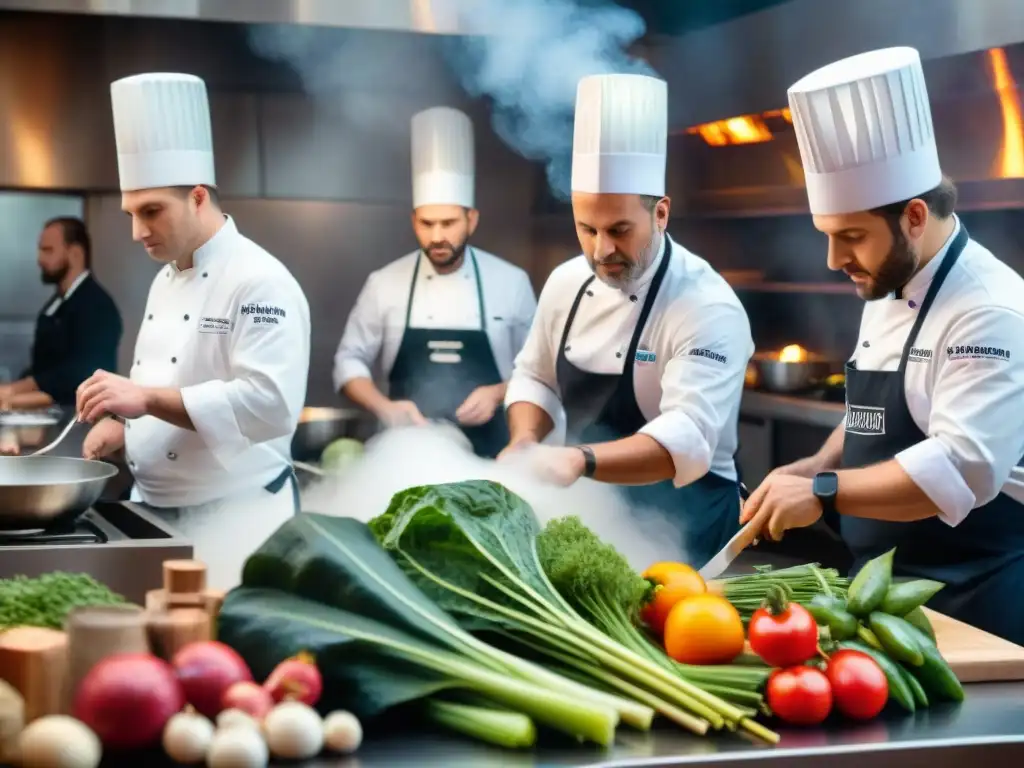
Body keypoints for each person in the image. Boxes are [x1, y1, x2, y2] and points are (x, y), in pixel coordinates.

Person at [740, 47, 1024, 644]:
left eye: (851, 237)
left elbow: (955, 472)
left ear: (915, 216)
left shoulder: (990, 311)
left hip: (975, 596)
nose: (834, 260)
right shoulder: (888, 276)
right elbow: (879, 407)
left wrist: (823, 491)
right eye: (827, 236)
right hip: (879, 589)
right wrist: (821, 462)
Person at [500, 73, 755, 568]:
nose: (601, 251)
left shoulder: (706, 305)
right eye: (586, 228)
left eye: (620, 230)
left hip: (689, 523)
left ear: (661, 214)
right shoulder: (565, 282)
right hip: (595, 513)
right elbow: (534, 376)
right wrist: (525, 440)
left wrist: (581, 459)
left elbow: (687, 436)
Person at [75, 72, 312, 589]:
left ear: (199, 197)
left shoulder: (260, 281)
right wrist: (128, 428)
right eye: (130, 213)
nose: (138, 231)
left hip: (234, 521)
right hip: (155, 516)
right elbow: (170, 382)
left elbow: (270, 404)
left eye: (152, 211)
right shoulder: (166, 277)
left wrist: (143, 401)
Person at [333, 106, 537, 458]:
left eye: (448, 222)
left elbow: (539, 370)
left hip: (493, 457)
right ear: (414, 220)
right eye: (427, 224)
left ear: (471, 220)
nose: (437, 236)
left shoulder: (511, 282)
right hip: (406, 455)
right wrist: (384, 407)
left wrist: (498, 392)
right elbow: (347, 362)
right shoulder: (384, 282)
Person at [0, 217, 122, 414]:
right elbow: (45, 368)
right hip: (50, 414)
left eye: (47, 250)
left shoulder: (96, 306)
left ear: (75, 254)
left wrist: (14, 393)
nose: (40, 259)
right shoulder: (57, 303)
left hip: (80, 422)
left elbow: (78, 376)